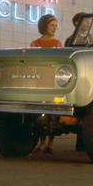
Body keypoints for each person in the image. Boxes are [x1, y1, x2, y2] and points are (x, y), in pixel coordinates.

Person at [30, 14, 62, 154]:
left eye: (56, 26)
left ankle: (50, 143)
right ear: (44, 26)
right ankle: (42, 143)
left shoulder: (58, 43)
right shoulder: (35, 44)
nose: (54, 28)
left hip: (53, 82)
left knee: (53, 114)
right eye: (52, 25)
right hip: (39, 81)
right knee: (40, 114)